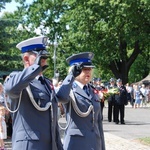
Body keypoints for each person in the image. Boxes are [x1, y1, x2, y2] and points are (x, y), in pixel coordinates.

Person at [4, 36, 63, 150]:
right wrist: (34, 68)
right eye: (40, 56)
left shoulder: (46, 83)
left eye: (44, 57)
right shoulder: (16, 79)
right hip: (30, 146)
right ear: (26, 59)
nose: (44, 59)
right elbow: (10, 89)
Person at [57, 52, 105, 150]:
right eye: (84, 69)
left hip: (94, 144)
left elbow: (98, 123)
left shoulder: (93, 91)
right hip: (76, 145)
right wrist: (71, 76)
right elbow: (61, 97)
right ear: (75, 70)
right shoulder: (69, 90)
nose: (88, 72)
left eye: (90, 69)